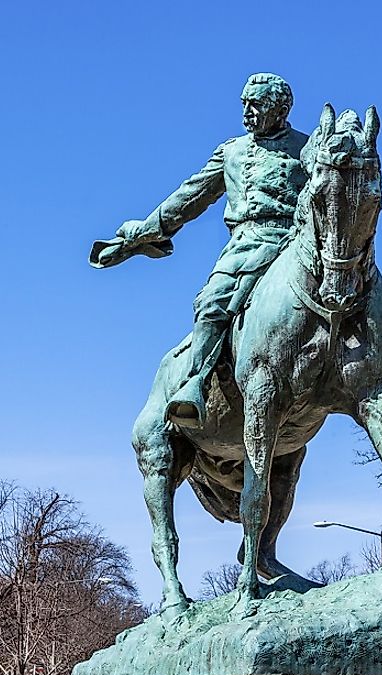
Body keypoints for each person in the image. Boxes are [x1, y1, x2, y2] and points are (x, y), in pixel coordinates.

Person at [98, 73, 309, 428]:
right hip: (246, 243)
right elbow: (190, 196)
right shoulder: (232, 151)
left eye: (255, 104)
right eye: (244, 103)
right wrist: (143, 234)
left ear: (280, 108)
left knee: (353, 295)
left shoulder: (308, 147)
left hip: (296, 242)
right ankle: (194, 384)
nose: (247, 112)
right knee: (211, 303)